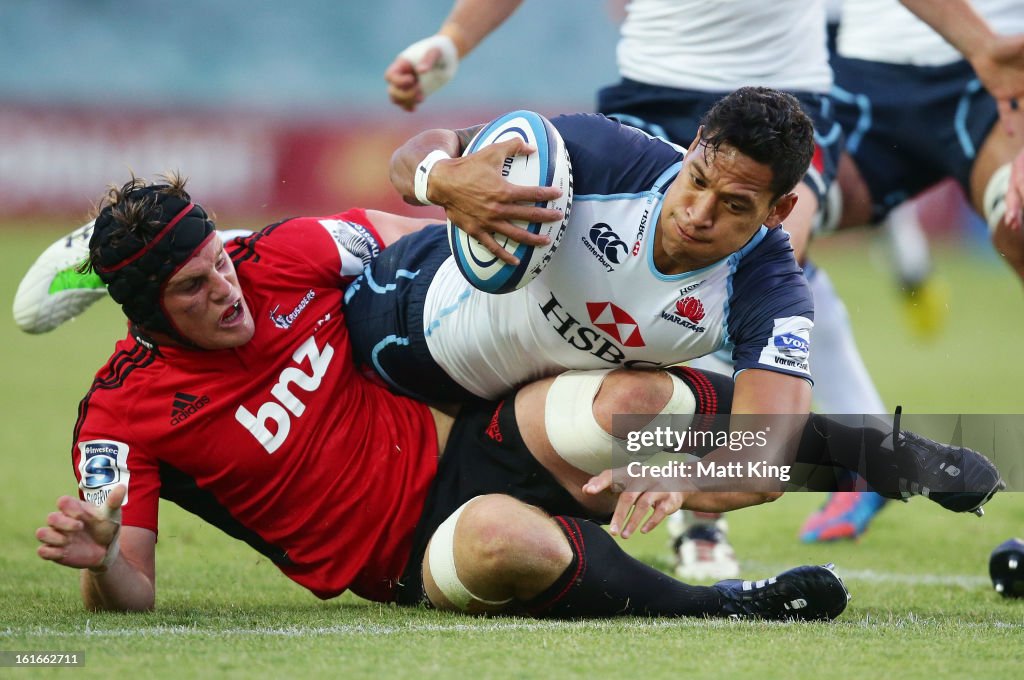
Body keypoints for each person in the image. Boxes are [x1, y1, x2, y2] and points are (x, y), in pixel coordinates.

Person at [33, 172, 857, 619]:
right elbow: (130, 590)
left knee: (628, 406)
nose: (227, 289)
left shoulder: (281, 255)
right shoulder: (118, 419)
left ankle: (894, 453)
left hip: (477, 436)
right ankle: (719, 607)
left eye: (220, 258)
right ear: (146, 311)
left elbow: (417, 252)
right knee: (505, 541)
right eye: (194, 286)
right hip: (408, 557)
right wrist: (102, 556)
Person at [384, 0, 888, 579]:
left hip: (795, 90)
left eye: (733, 205)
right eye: (697, 183)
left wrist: (685, 479)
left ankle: (706, 515)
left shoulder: (768, 275)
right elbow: (421, 154)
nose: (699, 214)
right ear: (692, 151)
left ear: (778, 209)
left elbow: (766, 458)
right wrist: (448, 68)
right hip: (651, 90)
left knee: (759, 289)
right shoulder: (604, 153)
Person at [801, 0, 1024, 542]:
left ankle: (914, 271)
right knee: (765, 228)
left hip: (1002, 84)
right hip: (866, 78)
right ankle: (871, 458)